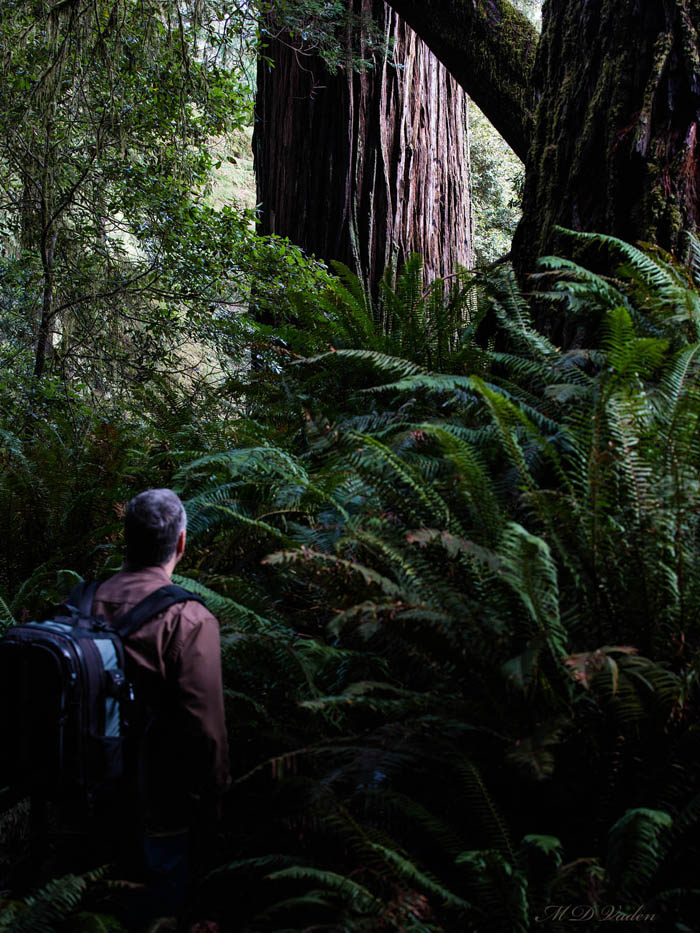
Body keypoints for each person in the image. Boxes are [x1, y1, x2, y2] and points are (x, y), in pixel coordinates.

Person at [91, 488, 230, 925]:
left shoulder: (80, 601)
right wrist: (217, 807)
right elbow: (206, 730)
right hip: (155, 810)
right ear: (182, 543)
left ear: (125, 537)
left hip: (76, 795)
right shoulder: (187, 620)